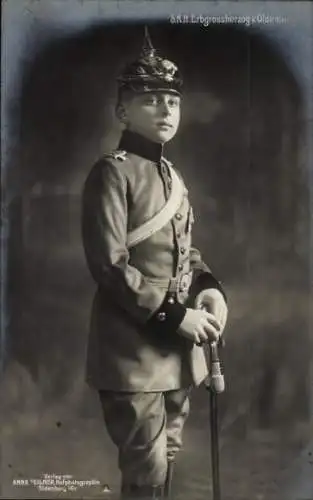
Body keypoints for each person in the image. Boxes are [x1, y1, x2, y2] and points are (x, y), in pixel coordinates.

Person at [81, 27, 228, 500]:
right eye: (151, 100)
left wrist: (209, 290)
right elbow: (109, 264)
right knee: (144, 470)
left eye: (173, 101)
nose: (166, 110)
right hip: (133, 350)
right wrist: (175, 315)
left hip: (178, 352)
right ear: (123, 111)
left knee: (167, 456)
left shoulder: (173, 177)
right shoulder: (113, 171)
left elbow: (186, 252)